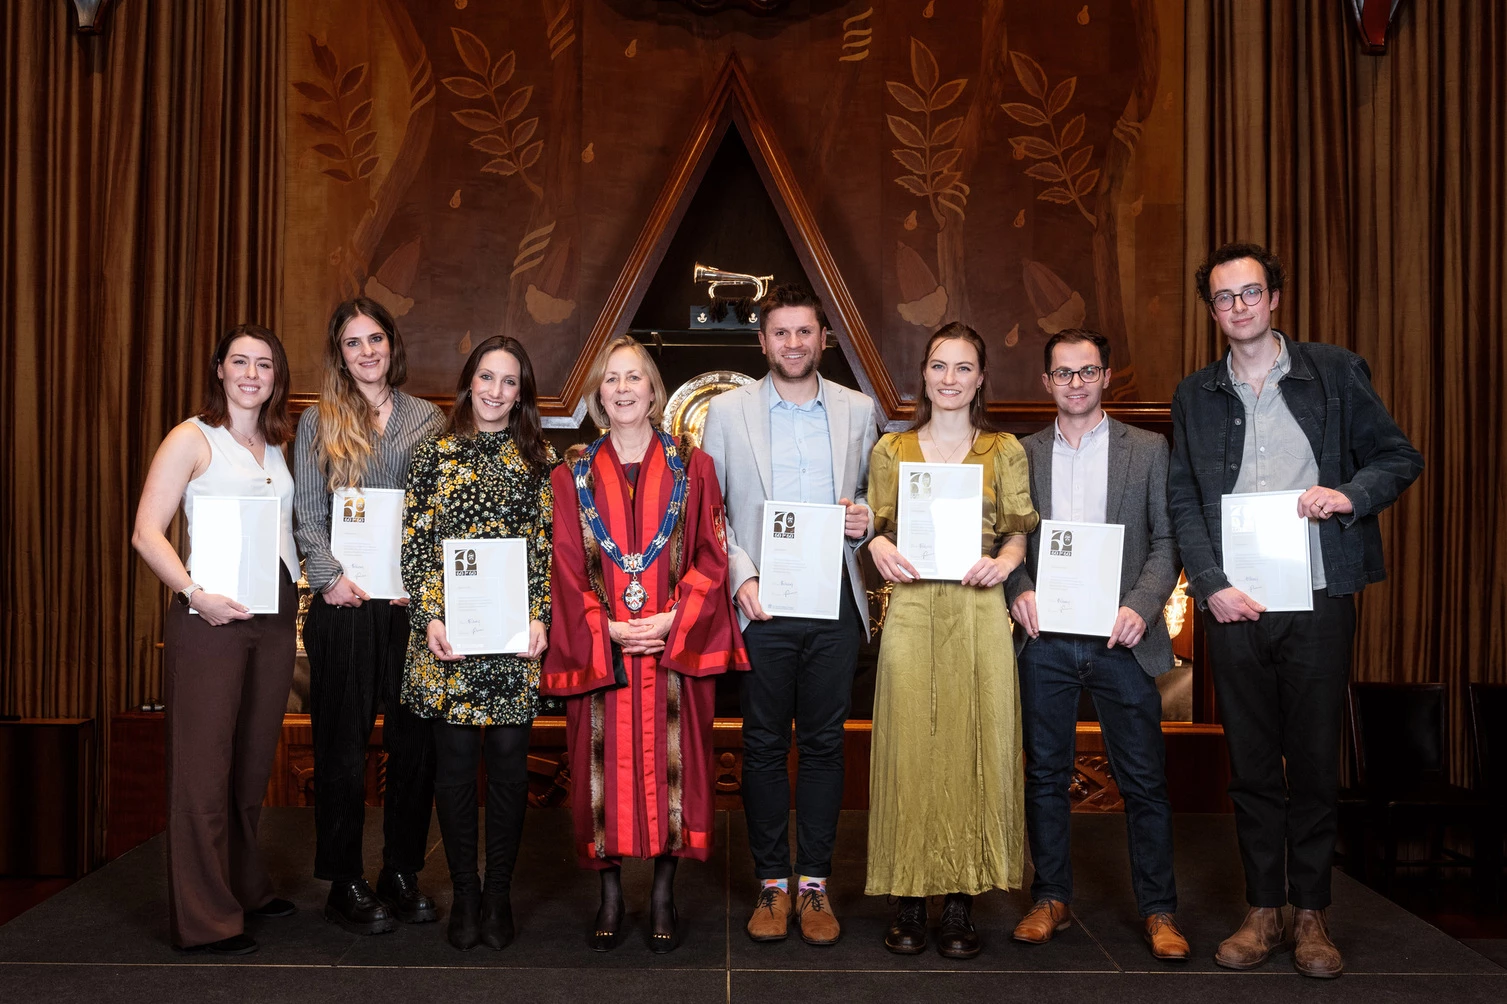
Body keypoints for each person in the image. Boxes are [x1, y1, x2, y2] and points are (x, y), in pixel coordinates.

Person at [1169, 242, 1423, 978]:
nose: (1238, 307)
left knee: (1312, 758)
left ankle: (1310, 913)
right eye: (1223, 297)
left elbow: (1397, 457)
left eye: (1251, 293)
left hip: (1317, 595)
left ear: (1274, 298)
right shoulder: (1195, 394)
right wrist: (1208, 582)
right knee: (1249, 764)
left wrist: (1348, 495)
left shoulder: (1334, 372)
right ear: (1211, 311)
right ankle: (1261, 910)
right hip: (1234, 602)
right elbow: (1184, 498)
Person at [542, 335, 749, 954]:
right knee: (595, 771)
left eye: (635, 378)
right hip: (602, 644)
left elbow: (713, 555)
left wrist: (672, 617)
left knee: (676, 773)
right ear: (597, 394)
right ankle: (609, 894)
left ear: (654, 389)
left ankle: (663, 891)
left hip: (672, 650)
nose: (624, 389)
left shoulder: (693, 466)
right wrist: (600, 625)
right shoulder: (571, 473)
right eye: (612, 379)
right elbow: (564, 564)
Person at [700, 284, 881, 946]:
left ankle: (815, 887)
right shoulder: (727, 411)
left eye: (805, 332)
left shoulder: (858, 411)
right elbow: (710, 512)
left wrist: (864, 521)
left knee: (827, 743)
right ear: (762, 340)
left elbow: (868, 502)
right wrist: (740, 574)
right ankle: (771, 884)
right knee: (763, 744)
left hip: (831, 596)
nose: (794, 343)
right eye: (781, 333)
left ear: (823, 339)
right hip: (763, 599)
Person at [1003, 329, 1188, 961]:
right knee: (1045, 775)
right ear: (1046, 382)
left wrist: (1141, 608)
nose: (1075, 382)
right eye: (1063, 373)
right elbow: (1008, 538)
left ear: (1107, 377)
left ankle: (1159, 911)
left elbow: (1168, 543)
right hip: (1046, 640)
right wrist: (1018, 589)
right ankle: (1050, 896)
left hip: (1122, 640)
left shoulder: (1149, 449)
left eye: (1088, 371)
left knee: (1143, 780)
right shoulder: (1020, 453)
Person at [865, 322, 1037, 959]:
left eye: (963, 368)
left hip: (977, 609)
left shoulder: (1004, 450)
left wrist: (1007, 560)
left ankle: (961, 901)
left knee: (972, 744)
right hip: (910, 610)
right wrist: (876, 542)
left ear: (981, 378)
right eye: (940, 366)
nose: (950, 379)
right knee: (910, 745)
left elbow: (1019, 531)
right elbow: (872, 526)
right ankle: (909, 897)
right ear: (924, 374)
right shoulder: (892, 450)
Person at [131, 324, 301, 955]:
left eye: (264, 364)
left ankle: (244, 885)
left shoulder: (278, 444)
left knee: (252, 762)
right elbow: (147, 532)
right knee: (203, 770)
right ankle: (204, 918)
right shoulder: (190, 437)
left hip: (276, 614)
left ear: (275, 376)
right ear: (221, 370)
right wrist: (194, 595)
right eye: (241, 362)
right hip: (210, 619)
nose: (252, 373)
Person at [292, 298, 445, 935]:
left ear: (392, 343)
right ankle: (344, 879)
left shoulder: (428, 419)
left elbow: (439, 511)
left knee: (415, 744)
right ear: (339, 352)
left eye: (375, 338)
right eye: (352, 343)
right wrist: (330, 581)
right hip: (343, 605)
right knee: (342, 745)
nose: (366, 352)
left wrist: (425, 584)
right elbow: (306, 511)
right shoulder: (318, 420)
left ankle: (401, 870)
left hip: (408, 608)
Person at [400, 335, 556, 952]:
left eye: (509, 381)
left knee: (512, 774)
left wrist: (541, 617)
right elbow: (415, 546)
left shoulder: (537, 459)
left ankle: (499, 897)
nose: (496, 391)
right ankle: (465, 893)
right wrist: (431, 618)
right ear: (470, 382)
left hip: (513, 642)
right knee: (457, 773)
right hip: (450, 642)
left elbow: (544, 550)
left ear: (522, 392)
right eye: (487, 378)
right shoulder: (432, 456)